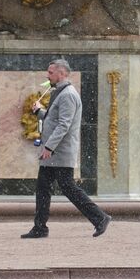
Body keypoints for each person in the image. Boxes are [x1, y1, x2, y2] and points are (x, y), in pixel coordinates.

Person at [21, 59, 111, 239]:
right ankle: (40, 228)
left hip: (59, 153)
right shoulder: (60, 92)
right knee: (43, 188)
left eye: (51, 72)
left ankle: (100, 217)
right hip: (54, 153)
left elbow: (64, 125)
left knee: (68, 187)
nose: (48, 76)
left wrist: (49, 147)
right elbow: (54, 119)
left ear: (62, 74)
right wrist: (40, 111)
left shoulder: (68, 95)